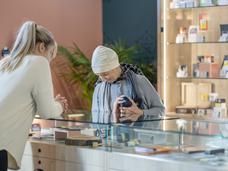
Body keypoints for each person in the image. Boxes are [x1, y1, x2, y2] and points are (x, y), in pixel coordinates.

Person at [0, 21, 68, 170]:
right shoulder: (39, 62)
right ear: (41, 47)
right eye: (50, 54)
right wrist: (60, 105)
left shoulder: (5, 63)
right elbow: (47, 112)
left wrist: (51, 103)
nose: (49, 61)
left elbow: (17, 102)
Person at [91, 45, 165, 123]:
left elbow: (161, 111)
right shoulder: (99, 87)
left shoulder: (139, 81)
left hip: (136, 134)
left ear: (115, 66)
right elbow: (96, 117)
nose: (102, 79)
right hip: (109, 135)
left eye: (105, 74)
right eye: (99, 75)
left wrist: (140, 112)